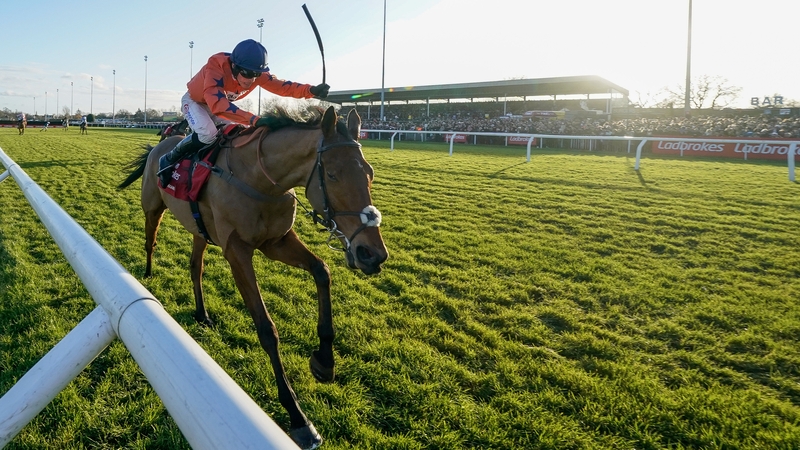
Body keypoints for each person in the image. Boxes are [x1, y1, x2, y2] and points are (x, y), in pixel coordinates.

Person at [157, 38, 330, 187]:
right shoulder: (215, 67)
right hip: (196, 102)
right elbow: (218, 104)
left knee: (235, 134)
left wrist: (311, 90)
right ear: (234, 66)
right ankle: (169, 158)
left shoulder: (254, 73)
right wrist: (253, 119)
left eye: (256, 74)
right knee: (208, 134)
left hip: (219, 104)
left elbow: (282, 87)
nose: (251, 80)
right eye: (247, 73)